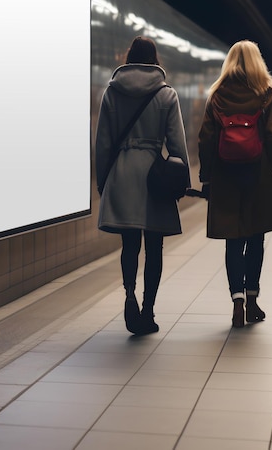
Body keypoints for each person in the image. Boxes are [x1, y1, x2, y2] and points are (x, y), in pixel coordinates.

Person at [95, 36, 190, 336]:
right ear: (155, 60)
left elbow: (103, 143)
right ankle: (148, 310)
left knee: (129, 244)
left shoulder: (113, 91)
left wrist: (103, 182)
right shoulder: (166, 95)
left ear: (129, 57)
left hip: (122, 176)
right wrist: (181, 179)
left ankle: (129, 294)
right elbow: (177, 145)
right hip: (154, 178)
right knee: (155, 247)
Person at [198, 40, 272, 328]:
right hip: (257, 174)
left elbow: (206, 139)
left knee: (233, 240)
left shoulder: (217, 95)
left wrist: (207, 176)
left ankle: (236, 302)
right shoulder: (265, 94)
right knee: (256, 238)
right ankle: (253, 300)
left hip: (225, 175)